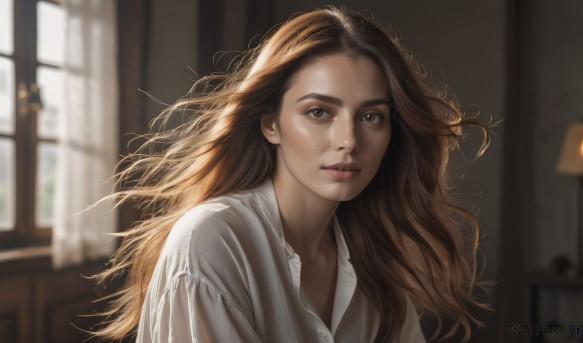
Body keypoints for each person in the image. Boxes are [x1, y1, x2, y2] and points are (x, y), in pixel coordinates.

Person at [93, 6, 491, 342]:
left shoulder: (374, 260)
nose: (348, 140)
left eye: (371, 116)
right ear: (271, 124)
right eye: (319, 112)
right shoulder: (213, 240)